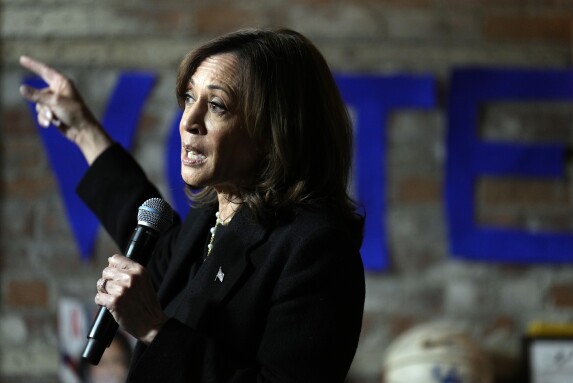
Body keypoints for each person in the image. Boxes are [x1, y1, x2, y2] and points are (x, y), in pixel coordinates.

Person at [19, 28, 366, 382]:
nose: (188, 121)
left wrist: (155, 329)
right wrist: (83, 131)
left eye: (216, 105)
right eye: (188, 98)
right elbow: (160, 254)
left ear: (276, 130)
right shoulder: (212, 219)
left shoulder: (316, 251)